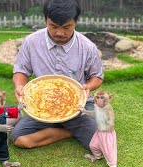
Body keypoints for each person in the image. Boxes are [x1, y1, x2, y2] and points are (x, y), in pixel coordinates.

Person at [11, 0, 104, 150]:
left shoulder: (87, 47)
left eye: (67, 27)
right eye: (53, 26)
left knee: (99, 146)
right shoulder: (31, 42)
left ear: (76, 22)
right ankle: (69, 131)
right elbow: (21, 71)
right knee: (20, 139)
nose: (59, 33)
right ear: (46, 20)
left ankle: (71, 127)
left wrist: (89, 86)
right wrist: (20, 86)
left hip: (78, 106)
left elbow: (97, 77)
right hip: (41, 106)